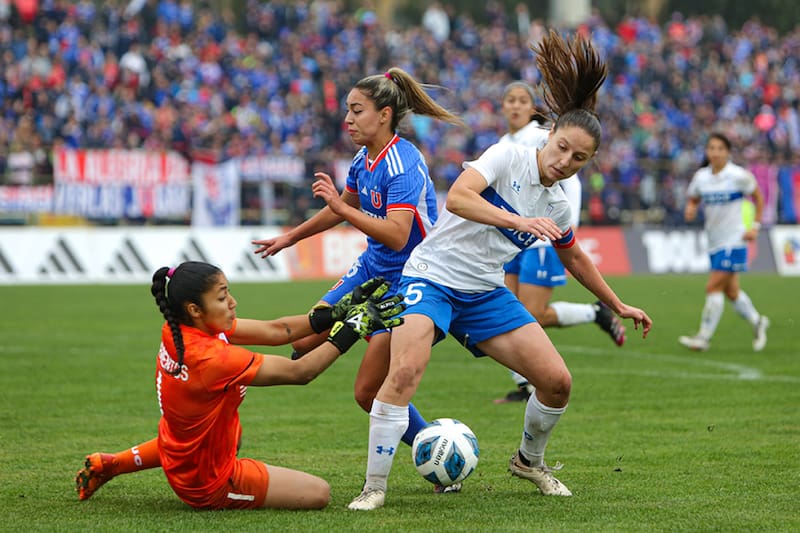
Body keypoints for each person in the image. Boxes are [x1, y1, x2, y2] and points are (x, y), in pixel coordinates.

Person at [347, 30, 653, 511]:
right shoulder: (508, 154)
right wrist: (516, 219)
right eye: (563, 148)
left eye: (580, 159)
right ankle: (374, 488)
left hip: (484, 294)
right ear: (549, 134)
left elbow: (572, 255)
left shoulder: (556, 205)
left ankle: (530, 461)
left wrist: (617, 304)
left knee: (557, 382)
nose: (565, 162)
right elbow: (460, 197)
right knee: (404, 371)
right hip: (431, 277)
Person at [251, 67, 463, 478]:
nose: (347, 120)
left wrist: (344, 208)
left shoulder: (404, 163)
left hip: (410, 281)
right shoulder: (364, 158)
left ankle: (437, 451)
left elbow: (400, 236)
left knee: (368, 393)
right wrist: (291, 237)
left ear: (384, 114)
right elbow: (342, 205)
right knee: (307, 341)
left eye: (356, 111)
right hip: (371, 269)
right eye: (348, 111)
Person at [75, 262, 403, 510]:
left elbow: (278, 331)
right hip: (206, 482)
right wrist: (355, 326)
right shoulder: (211, 359)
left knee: (211, 431)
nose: (232, 302)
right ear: (195, 309)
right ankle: (208, 484)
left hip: (182, 442)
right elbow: (300, 371)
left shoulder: (181, 328)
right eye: (222, 297)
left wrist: (337, 312)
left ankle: (113, 463)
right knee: (319, 494)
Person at [495, 81, 626, 404]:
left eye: (522, 100)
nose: (515, 106)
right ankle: (524, 385)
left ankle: (594, 314)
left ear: (532, 107)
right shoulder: (504, 142)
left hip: (543, 236)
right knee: (506, 313)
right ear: (503, 106)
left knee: (531, 314)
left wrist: (567, 225)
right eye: (510, 100)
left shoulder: (541, 134)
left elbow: (573, 181)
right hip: (513, 235)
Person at [678, 132, 769, 352]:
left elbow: (758, 198)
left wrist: (754, 227)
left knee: (713, 287)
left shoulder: (738, 176)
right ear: (707, 152)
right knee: (731, 292)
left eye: (720, 148)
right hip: (714, 240)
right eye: (711, 148)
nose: (715, 153)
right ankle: (757, 322)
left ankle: (703, 338)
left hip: (735, 240)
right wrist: (691, 207)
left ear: (728, 152)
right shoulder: (701, 177)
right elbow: (694, 197)